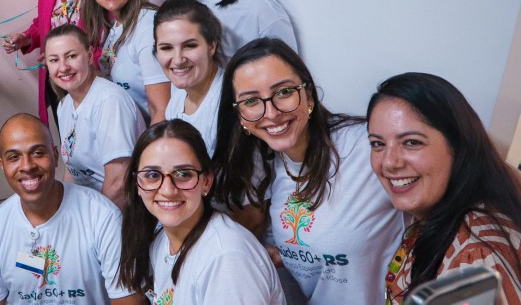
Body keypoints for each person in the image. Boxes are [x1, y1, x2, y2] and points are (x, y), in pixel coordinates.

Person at [212, 38, 403, 304]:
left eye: (283, 92)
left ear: (308, 95)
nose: (272, 113)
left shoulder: (364, 146)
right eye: (252, 100)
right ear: (241, 117)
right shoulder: (270, 170)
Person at [368, 72, 521, 304]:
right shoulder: (443, 214)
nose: (389, 162)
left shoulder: (473, 261)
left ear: (458, 145)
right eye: (377, 144)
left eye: (412, 142)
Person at [0, 113, 145, 304]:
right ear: (2, 165)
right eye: (14, 157)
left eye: (37, 153)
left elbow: (129, 300)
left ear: (55, 156)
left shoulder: (103, 218)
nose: (27, 166)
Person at [118, 119, 285, 304]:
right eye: (152, 175)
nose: (167, 190)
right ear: (137, 185)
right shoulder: (161, 242)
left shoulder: (227, 259)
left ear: (206, 182)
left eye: (183, 174)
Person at [44, 24, 144, 210]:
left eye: (71, 56)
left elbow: (118, 184)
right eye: (54, 60)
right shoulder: (64, 106)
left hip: (122, 213)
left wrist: (92, 228)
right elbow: (73, 171)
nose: (63, 67)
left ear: (89, 56)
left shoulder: (109, 101)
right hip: (90, 210)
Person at [81, 0, 169, 124]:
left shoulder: (148, 26)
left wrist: (148, 151)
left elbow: (162, 110)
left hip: (149, 138)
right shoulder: (113, 27)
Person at [153, 0, 225, 156]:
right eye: (166, 48)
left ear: (211, 46)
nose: (178, 60)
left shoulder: (229, 102)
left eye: (190, 46)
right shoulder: (176, 102)